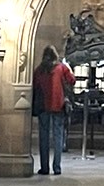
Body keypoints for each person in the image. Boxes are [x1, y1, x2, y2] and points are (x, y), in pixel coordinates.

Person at [31, 45, 74, 175]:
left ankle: (44, 168)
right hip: (58, 105)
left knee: (43, 137)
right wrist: (70, 69)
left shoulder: (39, 70)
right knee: (58, 136)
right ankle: (57, 167)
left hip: (43, 106)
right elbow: (72, 81)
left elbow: (35, 86)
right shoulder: (61, 68)